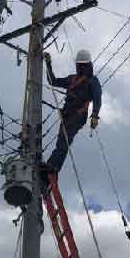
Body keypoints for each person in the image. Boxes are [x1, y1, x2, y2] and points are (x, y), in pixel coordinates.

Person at [40, 48, 101, 188]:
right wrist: (48, 63)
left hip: (78, 115)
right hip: (67, 115)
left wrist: (95, 116)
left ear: (88, 65)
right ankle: (47, 174)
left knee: (63, 142)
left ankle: (52, 168)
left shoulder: (92, 81)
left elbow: (97, 99)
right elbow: (52, 81)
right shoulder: (72, 79)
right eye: (79, 65)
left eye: (83, 65)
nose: (81, 67)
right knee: (61, 142)